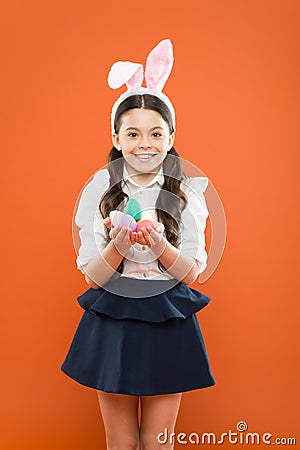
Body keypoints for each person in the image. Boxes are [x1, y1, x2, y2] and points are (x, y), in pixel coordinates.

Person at [61, 39, 216, 450]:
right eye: (132, 133)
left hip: (169, 316)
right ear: (116, 136)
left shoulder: (187, 193)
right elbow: (94, 280)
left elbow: (192, 272)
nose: (144, 143)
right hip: (114, 315)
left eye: (155, 133)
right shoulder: (100, 190)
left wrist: (159, 245)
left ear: (171, 137)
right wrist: (120, 246)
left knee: (158, 442)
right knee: (121, 440)